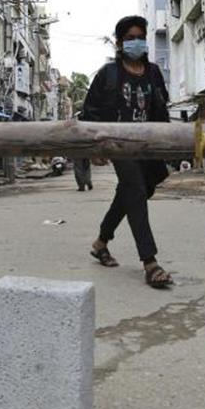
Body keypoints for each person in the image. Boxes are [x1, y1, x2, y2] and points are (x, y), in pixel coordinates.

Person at [80, 15, 173, 289]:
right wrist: (95, 146)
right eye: (129, 38)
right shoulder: (108, 74)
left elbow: (160, 108)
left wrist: (167, 142)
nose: (136, 42)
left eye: (140, 37)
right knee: (134, 190)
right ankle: (150, 262)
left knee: (135, 191)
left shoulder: (153, 72)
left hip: (147, 145)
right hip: (118, 143)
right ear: (120, 43)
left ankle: (101, 243)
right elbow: (91, 110)